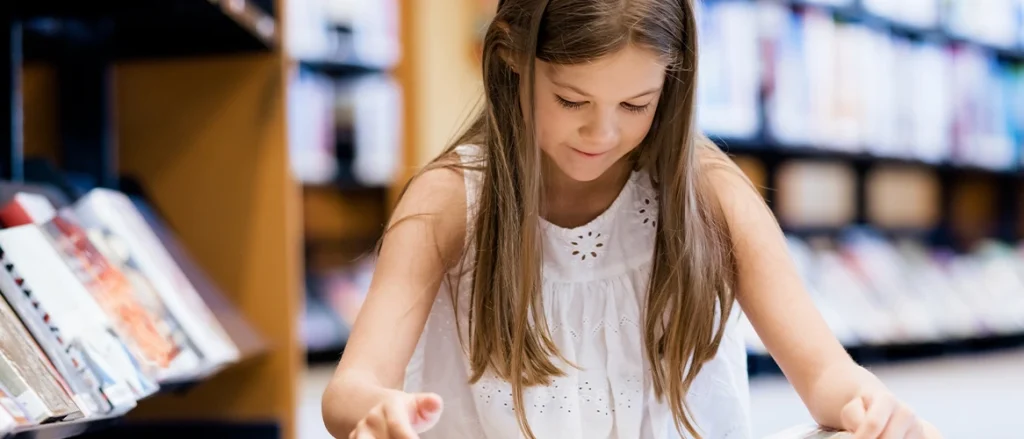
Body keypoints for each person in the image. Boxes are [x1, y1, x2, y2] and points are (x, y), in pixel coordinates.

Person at [321, 0, 943, 438]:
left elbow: (826, 373)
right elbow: (349, 389)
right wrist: (378, 411)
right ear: (509, 56)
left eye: (636, 103)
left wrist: (871, 409)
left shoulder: (710, 192)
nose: (604, 131)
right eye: (571, 100)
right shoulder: (450, 197)